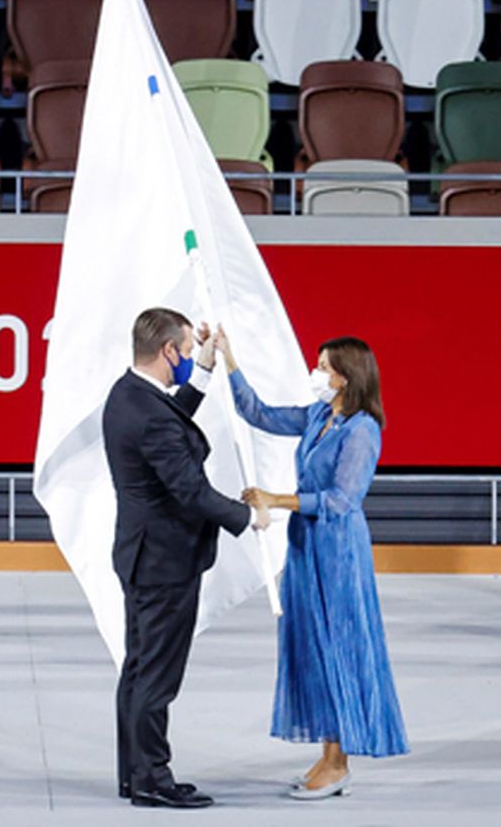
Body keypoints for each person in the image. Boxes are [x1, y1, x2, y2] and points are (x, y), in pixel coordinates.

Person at [216, 329, 409, 800]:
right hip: (305, 544)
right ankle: (327, 753)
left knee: (335, 646)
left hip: (338, 552)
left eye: (323, 367)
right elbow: (257, 413)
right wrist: (229, 359)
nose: (316, 373)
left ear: (345, 377)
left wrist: (275, 499)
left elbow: (343, 499)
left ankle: (339, 761)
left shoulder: (363, 429)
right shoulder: (319, 415)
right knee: (311, 648)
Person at [102, 307, 271, 809]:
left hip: (141, 554)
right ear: (167, 351)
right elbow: (191, 490)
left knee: (138, 669)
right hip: (164, 562)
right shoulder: (150, 415)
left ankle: (135, 772)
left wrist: (203, 367)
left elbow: (172, 423)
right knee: (157, 676)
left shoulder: (128, 395)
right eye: (183, 351)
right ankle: (153, 779)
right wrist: (246, 517)